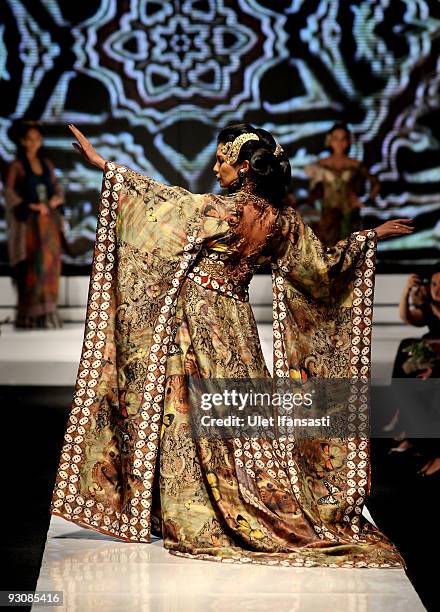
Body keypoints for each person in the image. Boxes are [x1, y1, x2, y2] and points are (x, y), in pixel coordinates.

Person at [51, 122, 413, 568]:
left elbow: (160, 205)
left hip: (197, 319)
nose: (215, 166)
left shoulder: (220, 212)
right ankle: (222, 497)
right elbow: (321, 270)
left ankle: (198, 507)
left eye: (222, 159)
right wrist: (367, 238)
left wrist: (105, 166)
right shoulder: (283, 223)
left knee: (184, 408)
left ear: (244, 167)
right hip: (237, 325)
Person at [5, 123, 65, 328]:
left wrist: (55, 200)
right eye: (30, 138)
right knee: (34, 268)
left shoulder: (46, 164)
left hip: (49, 224)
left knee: (50, 267)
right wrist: (30, 206)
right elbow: (9, 194)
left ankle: (48, 314)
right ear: (23, 141)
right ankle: (30, 316)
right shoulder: (17, 166)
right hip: (29, 226)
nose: (34, 143)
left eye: (37, 138)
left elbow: (58, 190)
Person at [388, 268, 440, 474]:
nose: (437, 290)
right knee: (406, 348)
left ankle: (400, 418)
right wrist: (406, 292)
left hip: (436, 357)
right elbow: (407, 316)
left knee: (409, 350)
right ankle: (404, 421)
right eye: (434, 284)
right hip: (429, 353)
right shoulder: (430, 308)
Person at [305, 123, 380, 246]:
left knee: (350, 256)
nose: (339, 142)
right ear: (330, 141)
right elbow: (314, 194)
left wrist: (364, 200)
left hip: (350, 218)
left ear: (348, 141)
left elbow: (376, 183)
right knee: (329, 258)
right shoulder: (319, 165)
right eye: (336, 138)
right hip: (327, 220)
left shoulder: (355, 165)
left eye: (343, 138)